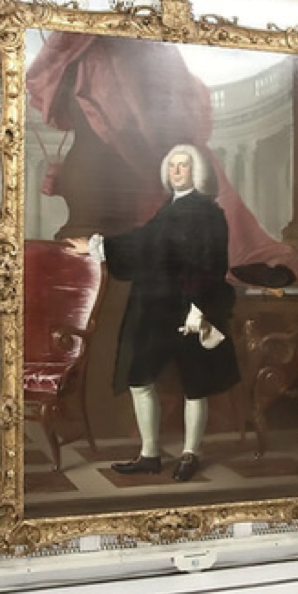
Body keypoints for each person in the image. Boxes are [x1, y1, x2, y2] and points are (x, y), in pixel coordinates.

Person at [64, 143, 238, 482]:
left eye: (184, 165)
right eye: (172, 165)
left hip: (190, 309)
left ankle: (190, 454)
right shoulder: (167, 210)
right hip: (156, 309)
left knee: (195, 385)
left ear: (195, 171)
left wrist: (200, 308)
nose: (177, 171)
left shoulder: (208, 212)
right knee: (139, 379)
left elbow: (212, 265)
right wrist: (99, 246)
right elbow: (147, 242)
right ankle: (150, 453)